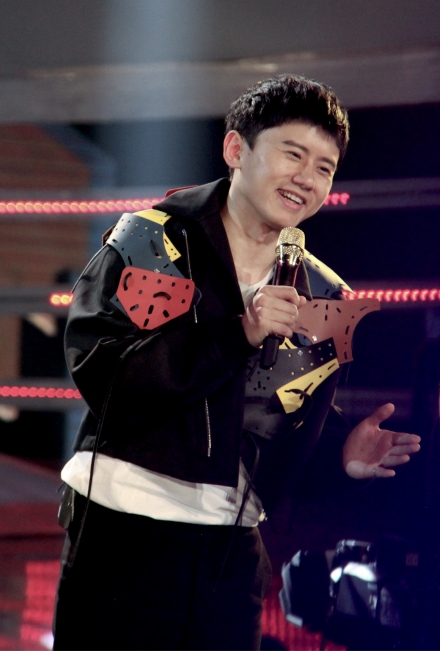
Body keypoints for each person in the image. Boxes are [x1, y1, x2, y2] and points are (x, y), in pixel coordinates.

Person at [52, 75, 420, 651]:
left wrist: (339, 456)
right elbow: (107, 376)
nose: (307, 177)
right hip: (124, 534)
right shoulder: (154, 242)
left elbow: (284, 430)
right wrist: (237, 333)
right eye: (293, 153)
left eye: (324, 167)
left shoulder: (324, 296)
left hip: (231, 552)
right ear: (235, 150)